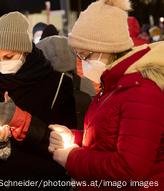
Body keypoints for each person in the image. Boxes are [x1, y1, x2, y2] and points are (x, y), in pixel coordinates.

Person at [48, 0, 164, 191]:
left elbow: (129, 168)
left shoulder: (141, 90)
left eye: (85, 55)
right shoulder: (113, 84)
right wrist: (74, 138)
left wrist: (71, 157)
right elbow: (106, 139)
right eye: (77, 55)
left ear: (108, 49)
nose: (81, 62)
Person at [0, 11, 77, 186]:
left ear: (25, 50)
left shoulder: (57, 83)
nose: (2, 63)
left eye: (9, 57)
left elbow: (66, 141)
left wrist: (26, 124)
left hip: (40, 179)